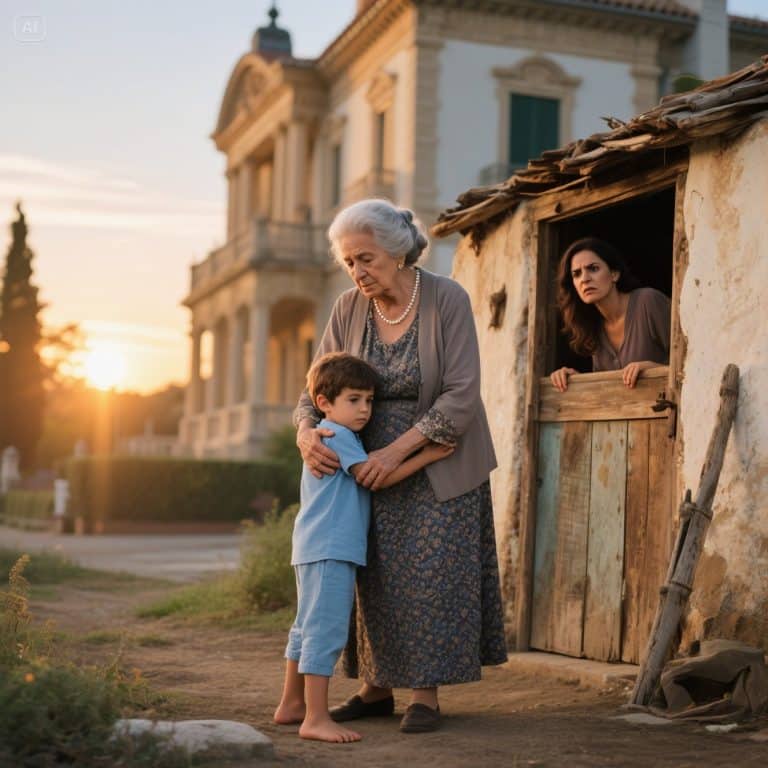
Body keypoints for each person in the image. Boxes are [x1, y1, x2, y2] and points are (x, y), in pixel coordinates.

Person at [294, 199, 507, 735]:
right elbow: (313, 387)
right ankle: (375, 688)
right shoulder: (348, 308)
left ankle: (424, 694)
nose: (357, 272)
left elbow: (462, 394)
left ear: (396, 252)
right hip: (363, 470)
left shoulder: (446, 298)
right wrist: (305, 434)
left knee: (430, 574)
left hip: (437, 457)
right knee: (373, 576)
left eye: (365, 258)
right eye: (349, 262)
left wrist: (396, 452)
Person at [274, 351, 453, 743]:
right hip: (332, 546)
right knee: (325, 630)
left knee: (306, 624)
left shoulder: (329, 433)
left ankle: (292, 703)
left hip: (313, 544)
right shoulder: (338, 435)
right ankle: (315, 718)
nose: (364, 409)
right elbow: (375, 477)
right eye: (354, 400)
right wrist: (427, 455)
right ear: (324, 403)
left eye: (369, 400)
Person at [550, 237, 671, 392]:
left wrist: (653, 368)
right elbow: (608, 390)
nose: (585, 279)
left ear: (614, 274)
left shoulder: (648, 302)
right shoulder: (593, 326)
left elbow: (689, 361)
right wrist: (575, 380)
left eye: (593, 269)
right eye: (577, 274)